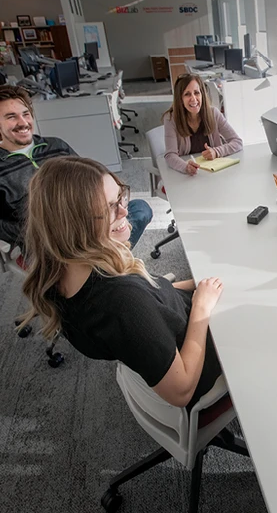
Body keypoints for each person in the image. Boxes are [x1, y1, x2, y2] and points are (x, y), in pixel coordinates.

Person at [19, 156, 223, 410]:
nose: (125, 211)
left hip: (181, 320)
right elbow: (181, 391)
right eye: (110, 208)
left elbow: (152, 298)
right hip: (203, 350)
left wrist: (198, 286)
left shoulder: (61, 274)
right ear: (74, 225)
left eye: (120, 198)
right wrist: (202, 308)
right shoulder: (121, 302)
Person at [0, 85, 152, 251]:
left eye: (26, 114)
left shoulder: (55, 145)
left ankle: (106, 262)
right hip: (50, 244)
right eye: (11, 117)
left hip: (89, 220)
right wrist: (41, 232)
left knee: (140, 209)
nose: (23, 122)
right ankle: (108, 262)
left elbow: (88, 179)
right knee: (107, 245)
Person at [163, 74, 243, 176]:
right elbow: (170, 155)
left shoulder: (214, 113)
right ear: (180, 99)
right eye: (187, 94)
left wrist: (216, 151)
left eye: (196, 93)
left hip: (214, 174)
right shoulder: (171, 119)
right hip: (187, 176)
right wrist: (185, 167)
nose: (193, 98)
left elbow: (237, 142)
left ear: (202, 95)